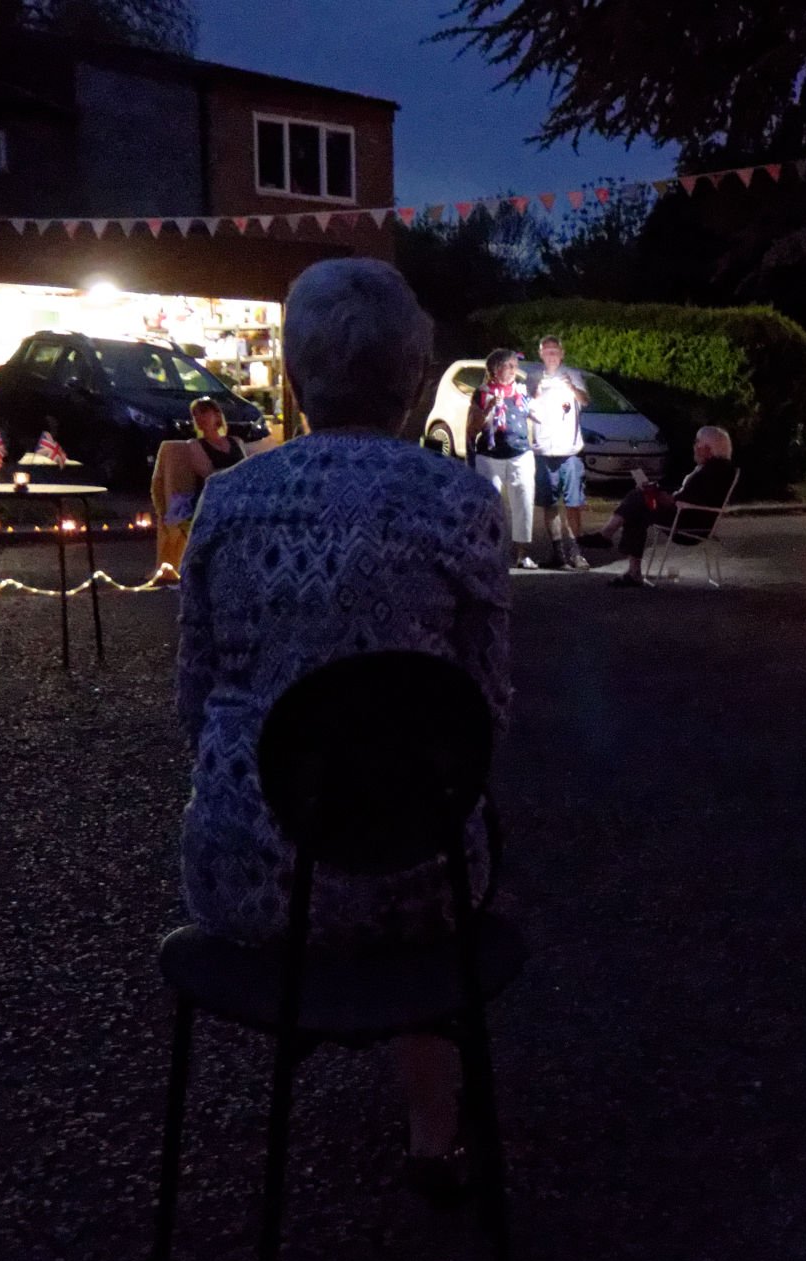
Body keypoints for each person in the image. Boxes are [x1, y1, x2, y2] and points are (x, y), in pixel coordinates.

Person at [175, 258, 511, 1202]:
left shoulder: (229, 501)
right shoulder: (463, 505)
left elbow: (193, 704)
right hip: (422, 875)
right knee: (426, 829)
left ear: (294, 378)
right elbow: (486, 714)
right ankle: (433, 1134)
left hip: (252, 876)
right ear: (413, 379)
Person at [586, 425, 740, 587]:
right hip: (694, 519)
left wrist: (659, 495)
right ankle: (625, 561)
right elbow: (692, 497)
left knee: (638, 499)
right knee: (638, 505)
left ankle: (612, 542)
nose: (694, 447)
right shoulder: (719, 469)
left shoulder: (711, 471)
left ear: (709, 448)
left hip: (688, 523)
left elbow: (683, 500)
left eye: (697, 443)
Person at [150, 396, 247, 571]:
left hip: (238, 493)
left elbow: (247, 470)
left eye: (204, 413)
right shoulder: (195, 445)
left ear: (217, 415)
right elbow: (209, 474)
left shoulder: (236, 442)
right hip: (211, 497)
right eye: (195, 415)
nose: (199, 418)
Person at [466, 348, 540, 569]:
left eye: (515, 366)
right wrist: (490, 406)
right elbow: (473, 428)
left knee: (524, 502)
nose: (514, 371)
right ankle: (489, 551)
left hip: (521, 454)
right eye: (510, 366)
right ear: (496, 369)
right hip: (490, 457)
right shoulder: (482, 392)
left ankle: (522, 554)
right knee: (490, 505)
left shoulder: (521, 391)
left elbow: (536, 415)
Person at [528, 336, 591, 569]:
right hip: (544, 449)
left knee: (573, 502)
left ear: (562, 353)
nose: (551, 355)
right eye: (547, 351)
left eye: (555, 351)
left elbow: (585, 401)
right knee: (549, 503)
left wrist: (572, 388)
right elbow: (526, 407)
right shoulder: (534, 377)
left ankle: (576, 552)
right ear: (541, 354)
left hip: (570, 450)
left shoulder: (572, 374)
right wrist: (534, 395)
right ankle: (558, 552)